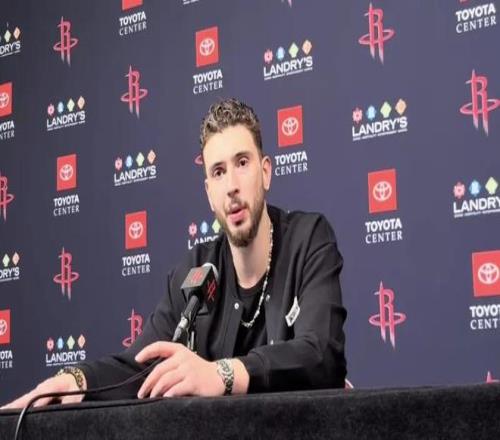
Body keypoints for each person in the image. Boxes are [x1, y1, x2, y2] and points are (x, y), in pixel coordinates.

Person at [2, 98, 346, 409]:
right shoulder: (195, 270)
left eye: (242, 163)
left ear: (266, 172)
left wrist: (221, 375)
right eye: (218, 172)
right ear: (209, 193)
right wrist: (76, 381)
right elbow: (141, 367)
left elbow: (321, 353)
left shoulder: (308, 239)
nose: (232, 186)